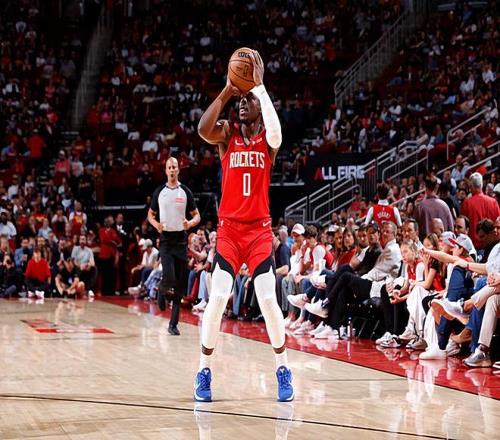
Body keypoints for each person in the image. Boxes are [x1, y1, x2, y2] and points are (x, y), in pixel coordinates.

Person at [195, 50, 293, 402]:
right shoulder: (227, 134)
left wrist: (259, 88)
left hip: (259, 232)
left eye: (246, 100)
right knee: (218, 297)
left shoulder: (268, 140)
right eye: (240, 101)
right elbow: (202, 129)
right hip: (230, 232)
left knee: (267, 298)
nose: (241, 104)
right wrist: (227, 90)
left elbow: (278, 133)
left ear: (259, 106)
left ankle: (283, 368)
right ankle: (204, 371)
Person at [148, 157, 200, 335]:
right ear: (166, 170)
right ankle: (161, 292)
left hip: (181, 240)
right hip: (165, 240)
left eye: (174, 167)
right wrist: (156, 225)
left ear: (178, 170)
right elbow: (150, 215)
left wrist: (190, 223)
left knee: (179, 284)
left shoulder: (185, 191)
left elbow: (197, 216)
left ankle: (173, 324)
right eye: (169, 167)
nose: (172, 170)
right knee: (169, 276)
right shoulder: (159, 192)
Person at [461, 173, 500, 248]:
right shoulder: (493, 202)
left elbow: (463, 226)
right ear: (481, 185)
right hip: (491, 246)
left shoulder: (467, 203)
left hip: (474, 246)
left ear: (471, 186)